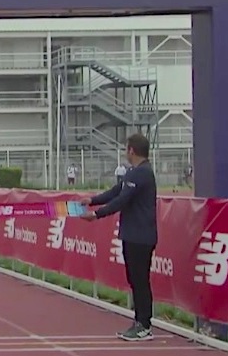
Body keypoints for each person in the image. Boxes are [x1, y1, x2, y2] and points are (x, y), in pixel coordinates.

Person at [79, 133, 157, 342]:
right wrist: (92, 200)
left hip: (141, 235)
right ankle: (139, 321)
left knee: (140, 280)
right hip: (132, 234)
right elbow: (116, 191)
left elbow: (122, 200)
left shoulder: (143, 173)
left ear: (131, 150)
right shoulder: (133, 172)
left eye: (126, 148)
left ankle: (144, 325)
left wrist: (97, 214)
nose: (125, 152)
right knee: (134, 279)